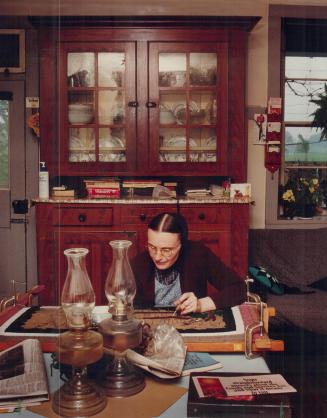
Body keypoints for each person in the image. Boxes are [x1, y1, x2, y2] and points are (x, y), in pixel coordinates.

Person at [131, 212, 246, 315]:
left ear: (181, 245)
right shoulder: (139, 264)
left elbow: (239, 288)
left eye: (166, 250)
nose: (157, 257)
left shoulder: (198, 254)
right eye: (152, 247)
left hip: (192, 326)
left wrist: (201, 305)